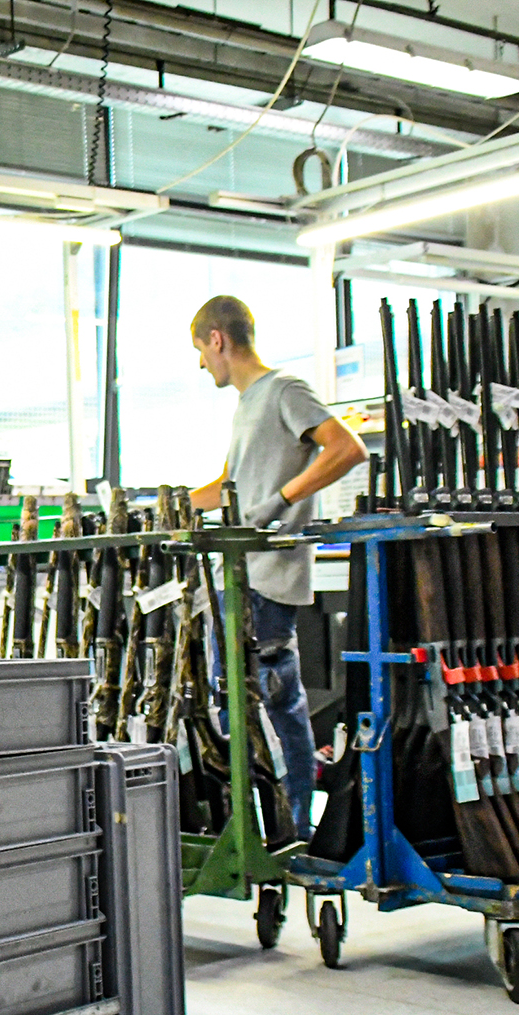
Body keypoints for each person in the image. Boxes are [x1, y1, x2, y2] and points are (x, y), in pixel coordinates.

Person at [187, 295, 366, 843]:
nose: (200, 364)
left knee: (259, 702)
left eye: (199, 350)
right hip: (244, 578)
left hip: (266, 580)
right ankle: (285, 823)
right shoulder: (247, 406)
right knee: (267, 704)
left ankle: (286, 824)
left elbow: (347, 448)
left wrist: (279, 502)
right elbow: (229, 488)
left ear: (218, 339)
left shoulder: (283, 391)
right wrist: (166, 505)